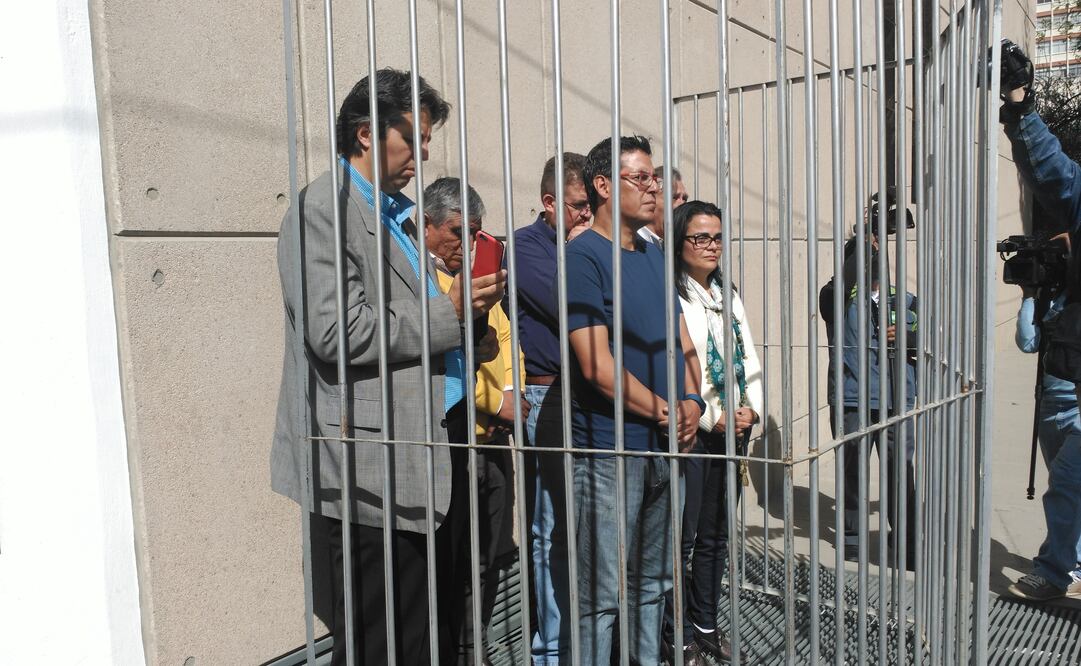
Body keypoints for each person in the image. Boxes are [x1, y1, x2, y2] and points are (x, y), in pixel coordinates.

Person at [270, 69, 505, 665]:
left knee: (429, 628)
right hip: (372, 466)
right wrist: (447, 314)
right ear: (367, 134)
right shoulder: (323, 208)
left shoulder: (398, 212)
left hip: (432, 446)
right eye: (415, 137)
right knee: (385, 641)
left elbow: (413, 318)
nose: (423, 153)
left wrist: (469, 321)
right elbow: (335, 332)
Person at [565, 135, 704, 664]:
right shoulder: (582, 258)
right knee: (599, 599)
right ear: (603, 185)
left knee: (653, 585)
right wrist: (671, 413)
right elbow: (597, 366)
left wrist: (693, 402)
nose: (653, 188)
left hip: (665, 446)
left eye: (653, 178)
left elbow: (683, 341)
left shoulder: (652, 253)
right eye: (640, 178)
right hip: (609, 453)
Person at [423, 177, 528, 663]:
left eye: (477, 233)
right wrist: (494, 401)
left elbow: (505, 342)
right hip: (454, 439)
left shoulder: (483, 279)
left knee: (487, 557)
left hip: (493, 441)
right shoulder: (427, 282)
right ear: (426, 228)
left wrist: (515, 393)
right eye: (456, 231)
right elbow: (451, 365)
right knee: (451, 557)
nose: (467, 244)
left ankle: (475, 645)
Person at [997, 39, 1081, 602]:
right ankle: (1068, 561)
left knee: (1071, 480)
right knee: (1064, 475)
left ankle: (1055, 569)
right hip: (1065, 368)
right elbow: (1049, 168)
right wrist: (1021, 103)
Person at [662, 200, 761, 665]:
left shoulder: (726, 290)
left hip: (732, 430)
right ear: (680, 242)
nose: (710, 246)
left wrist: (751, 411)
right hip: (695, 432)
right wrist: (709, 418)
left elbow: (749, 358)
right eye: (699, 237)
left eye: (717, 237)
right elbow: (680, 366)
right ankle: (676, 630)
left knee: (717, 535)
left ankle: (704, 622)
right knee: (684, 536)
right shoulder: (672, 294)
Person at [507, 152, 591, 664]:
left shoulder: (585, 246)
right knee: (550, 528)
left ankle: (586, 638)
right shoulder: (526, 247)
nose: (587, 216)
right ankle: (552, 649)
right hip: (546, 397)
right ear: (549, 203)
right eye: (580, 207)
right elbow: (574, 306)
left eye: (591, 206)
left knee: (586, 527)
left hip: (591, 398)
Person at [819, 193, 918, 570]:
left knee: (899, 476)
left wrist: (908, 334)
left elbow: (928, 335)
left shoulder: (903, 301)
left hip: (895, 401)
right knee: (852, 475)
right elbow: (841, 284)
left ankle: (906, 544)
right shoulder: (838, 297)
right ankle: (852, 541)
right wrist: (867, 235)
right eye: (859, 257)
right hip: (852, 399)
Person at [1012, 246, 1081, 601]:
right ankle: (1075, 563)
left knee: (1066, 484)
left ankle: (1054, 571)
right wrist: (1028, 297)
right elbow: (1028, 341)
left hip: (1078, 408)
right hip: (1051, 406)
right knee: (1070, 489)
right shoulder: (1053, 301)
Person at [636, 166, 688, 247]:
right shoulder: (631, 243)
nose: (682, 204)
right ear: (651, 198)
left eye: (685, 198)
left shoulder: (678, 249)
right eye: (674, 197)